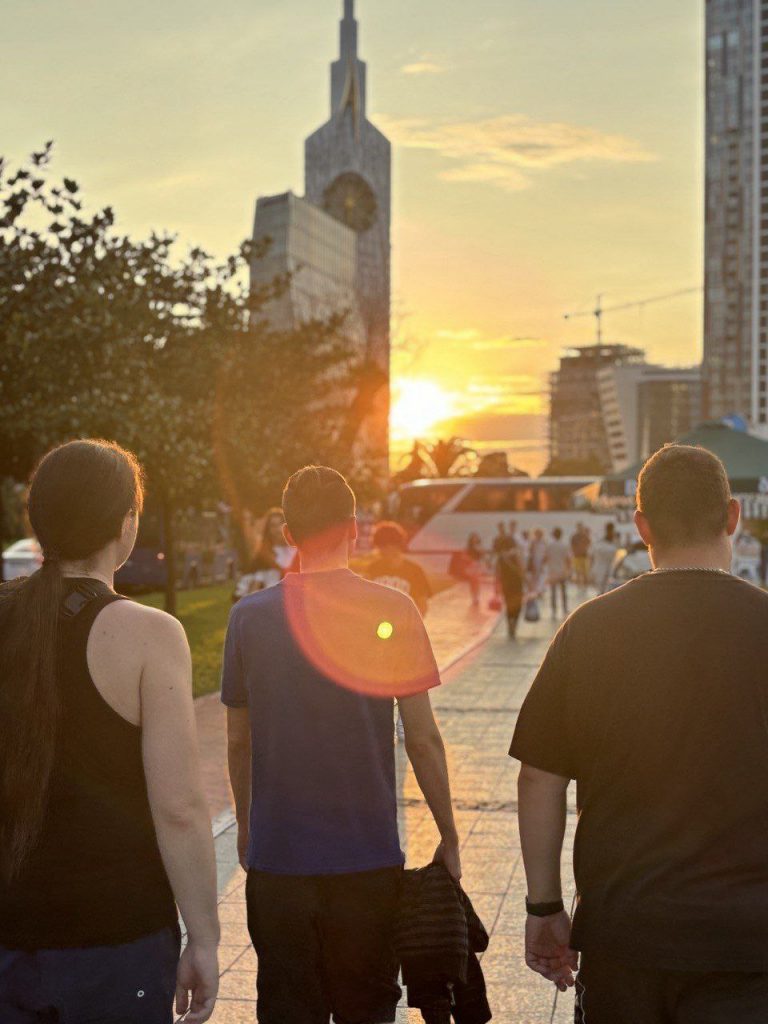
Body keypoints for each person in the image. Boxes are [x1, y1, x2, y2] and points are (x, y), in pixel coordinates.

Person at [510, 444, 768, 1023]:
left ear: (642, 525)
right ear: (732, 516)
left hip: (625, 934)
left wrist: (544, 905)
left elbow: (539, 777)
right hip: (748, 942)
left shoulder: (590, 630)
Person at [223, 465, 460, 1024]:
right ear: (354, 527)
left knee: (286, 1006)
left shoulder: (247, 619)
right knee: (368, 1006)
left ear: (287, 535)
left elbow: (238, 741)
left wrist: (246, 827)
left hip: (279, 860)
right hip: (367, 858)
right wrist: (449, 835)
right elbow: (423, 739)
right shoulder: (392, 611)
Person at [0, 439, 219, 1024]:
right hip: (116, 942)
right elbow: (179, 807)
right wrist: (204, 938)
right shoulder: (149, 634)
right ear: (126, 522)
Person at [365, 520, 432, 617]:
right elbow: (367, 598)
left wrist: (413, 624)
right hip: (378, 623)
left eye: (386, 546)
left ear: (396, 545)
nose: (382, 551)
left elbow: (422, 604)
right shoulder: (373, 568)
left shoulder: (415, 571)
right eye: (380, 547)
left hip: (404, 623)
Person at [234, 507, 296, 599]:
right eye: (273, 526)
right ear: (268, 530)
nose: (278, 529)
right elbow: (253, 586)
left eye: (281, 524)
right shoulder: (264, 556)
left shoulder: (297, 552)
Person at [497, 543, 525, 639]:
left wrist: (497, 586)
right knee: (518, 606)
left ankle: (510, 625)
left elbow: (498, 573)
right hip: (517, 585)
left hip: (506, 585)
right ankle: (514, 626)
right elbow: (522, 570)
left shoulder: (501, 558)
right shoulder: (516, 556)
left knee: (509, 606)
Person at [545, 527, 571, 617]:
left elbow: (545, 558)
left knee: (553, 592)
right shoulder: (564, 545)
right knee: (563, 591)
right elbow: (568, 559)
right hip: (562, 571)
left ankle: (554, 610)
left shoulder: (549, 545)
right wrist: (569, 570)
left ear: (553, 535)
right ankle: (564, 608)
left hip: (552, 571)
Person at [590, 522, 618, 595]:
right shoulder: (600, 542)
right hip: (599, 568)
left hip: (608, 569)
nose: (611, 532)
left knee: (604, 591)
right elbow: (592, 556)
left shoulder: (614, 541)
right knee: (601, 591)